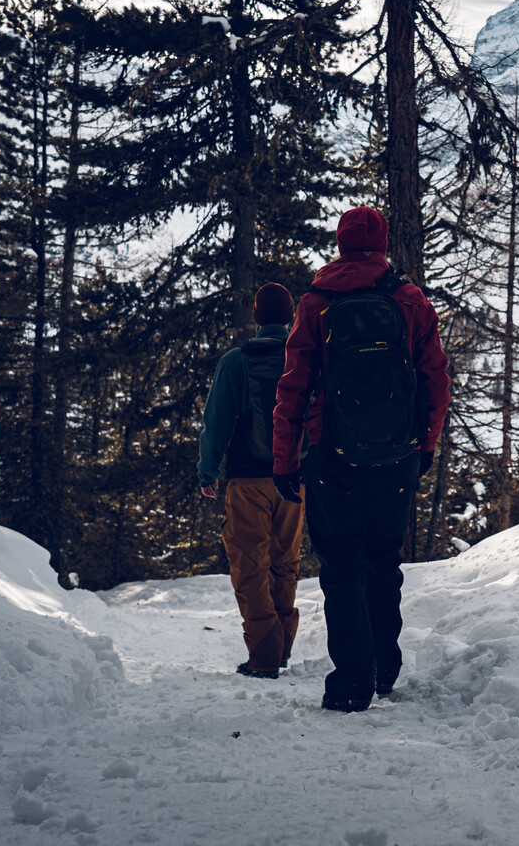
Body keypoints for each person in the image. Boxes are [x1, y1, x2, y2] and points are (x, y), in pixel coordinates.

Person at [271, 206, 450, 712]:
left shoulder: (317, 302)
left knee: (342, 566)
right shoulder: (409, 299)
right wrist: (426, 444)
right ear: (384, 243)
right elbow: (436, 379)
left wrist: (285, 461)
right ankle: (385, 668)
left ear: (340, 243)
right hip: (396, 455)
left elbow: (293, 388)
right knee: (382, 561)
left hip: (332, 454)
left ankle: (353, 682)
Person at [197, 282, 304, 679]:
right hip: (295, 480)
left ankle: (264, 654)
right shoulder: (305, 357)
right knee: (285, 562)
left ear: (257, 316)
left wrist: (208, 471)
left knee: (249, 564)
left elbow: (216, 422)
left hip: (247, 480)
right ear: (290, 316)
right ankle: (281, 646)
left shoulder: (236, 361)